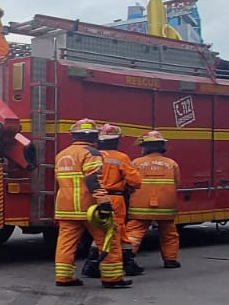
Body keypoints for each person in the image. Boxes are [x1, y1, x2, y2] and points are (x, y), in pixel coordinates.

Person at [54, 119, 128, 288]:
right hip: (89, 207)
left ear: (74, 135)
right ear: (95, 137)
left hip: (66, 207)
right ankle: (112, 278)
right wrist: (103, 201)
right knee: (109, 238)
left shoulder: (62, 154)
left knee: (66, 243)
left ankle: (64, 277)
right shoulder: (91, 153)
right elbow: (93, 179)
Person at [84, 123, 144, 278]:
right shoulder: (121, 157)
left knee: (102, 231)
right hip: (114, 199)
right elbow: (136, 181)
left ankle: (94, 263)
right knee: (115, 230)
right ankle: (113, 265)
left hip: (94, 198)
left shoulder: (92, 154)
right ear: (117, 140)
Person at [127, 130, 182, 269]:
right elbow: (177, 182)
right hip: (166, 206)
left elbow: (130, 182)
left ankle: (127, 258)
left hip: (140, 205)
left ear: (145, 147)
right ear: (162, 146)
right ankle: (171, 260)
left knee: (134, 233)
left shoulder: (136, 163)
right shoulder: (172, 163)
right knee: (169, 233)